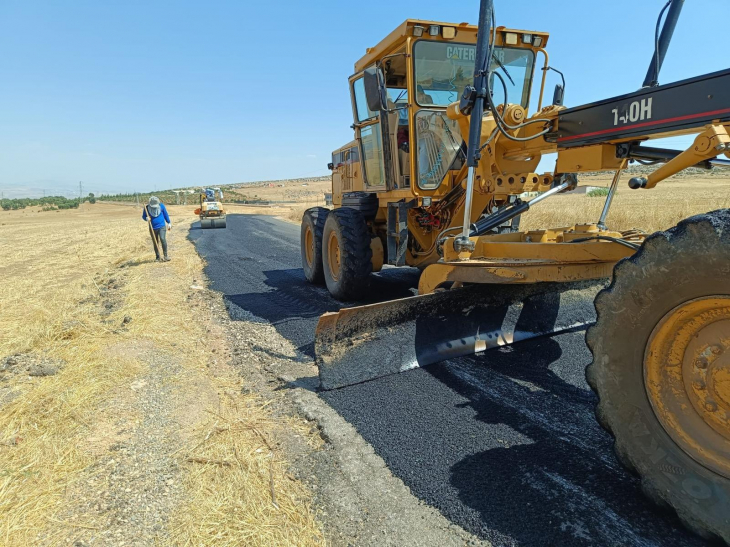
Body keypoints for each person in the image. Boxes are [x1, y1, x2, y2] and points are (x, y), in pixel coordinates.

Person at [142, 196, 171, 261]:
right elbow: (143, 216)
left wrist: (169, 222)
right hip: (152, 228)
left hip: (161, 226)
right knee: (155, 242)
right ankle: (158, 257)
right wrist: (146, 218)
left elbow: (166, 214)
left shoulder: (162, 206)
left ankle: (166, 256)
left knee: (162, 239)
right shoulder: (146, 208)